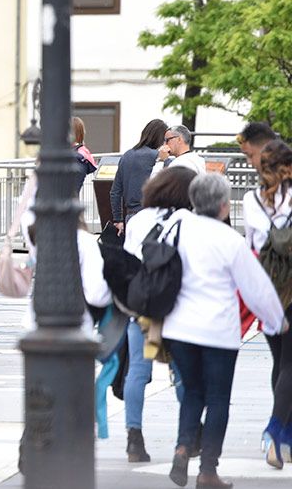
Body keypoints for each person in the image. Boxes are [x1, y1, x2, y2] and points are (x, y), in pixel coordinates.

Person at [163, 173, 288, 489]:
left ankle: (182, 447)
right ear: (222, 205)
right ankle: (207, 471)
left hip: (178, 327)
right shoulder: (230, 241)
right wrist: (277, 321)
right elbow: (256, 289)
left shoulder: (177, 228)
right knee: (217, 397)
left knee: (193, 391)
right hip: (218, 331)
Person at [121, 166, 196, 464]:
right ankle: (188, 438)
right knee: (179, 371)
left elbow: (128, 259)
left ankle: (134, 440)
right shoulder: (189, 221)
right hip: (175, 307)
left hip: (142, 307)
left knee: (138, 370)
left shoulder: (138, 219)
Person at [242, 140, 292, 468]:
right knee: (291, 363)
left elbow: (251, 243)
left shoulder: (250, 199)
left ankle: (285, 434)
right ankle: (276, 430)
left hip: (265, 285)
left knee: (280, 360)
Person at [111, 118, 168, 236]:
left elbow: (115, 192)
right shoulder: (159, 158)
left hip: (130, 217)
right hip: (152, 216)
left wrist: (118, 219)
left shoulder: (126, 156)